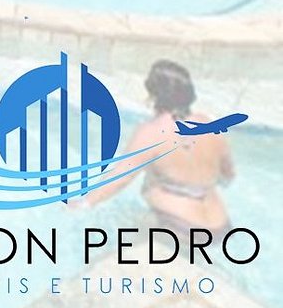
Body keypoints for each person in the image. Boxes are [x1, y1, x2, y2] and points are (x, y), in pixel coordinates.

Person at [84, 61, 235, 238]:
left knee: (111, 235)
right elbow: (228, 176)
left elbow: (120, 179)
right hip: (220, 227)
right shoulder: (208, 123)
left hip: (181, 227)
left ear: (153, 95)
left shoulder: (152, 132)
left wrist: (84, 203)